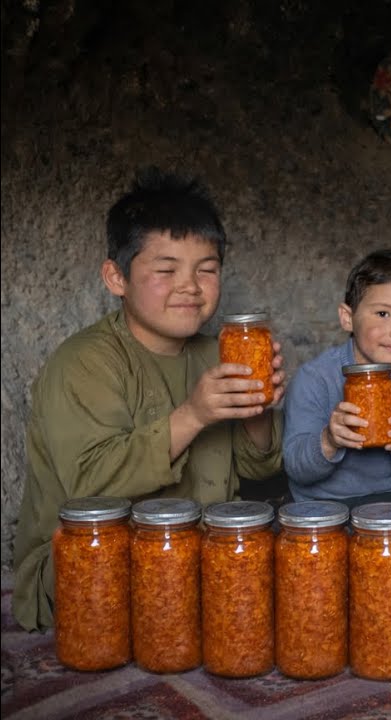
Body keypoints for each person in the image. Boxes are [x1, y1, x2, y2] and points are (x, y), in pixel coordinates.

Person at [12, 169, 285, 631]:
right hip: (91, 559)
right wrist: (194, 415)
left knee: (307, 565)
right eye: (166, 270)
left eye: (207, 269)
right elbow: (91, 487)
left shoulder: (215, 351)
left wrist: (258, 409)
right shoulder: (83, 363)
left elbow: (258, 471)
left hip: (200, 551)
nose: (190, 286)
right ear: (116, 277)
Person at [283, 249, 391, 510]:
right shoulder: (315, 378)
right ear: (347, 318)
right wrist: (329, 440)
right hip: (329, 501)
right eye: (383, 314)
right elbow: (297, 468)